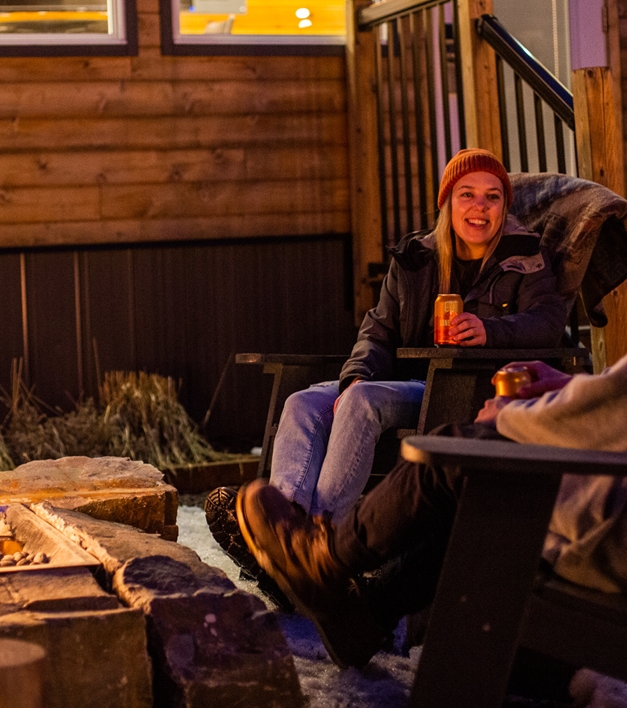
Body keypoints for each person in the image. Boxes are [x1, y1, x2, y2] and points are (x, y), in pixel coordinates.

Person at [235, 91, 627, 670]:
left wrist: (509, 418)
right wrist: (556, 391)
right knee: (478, 459)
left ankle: (326, 556)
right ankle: (362, 607)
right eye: (466, 196)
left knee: (463, 456)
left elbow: (611, 416)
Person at [206, 148, 570, 577]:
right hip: (399, 382)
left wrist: (492, 332)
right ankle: (282, 531)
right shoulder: (416, 259)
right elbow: (377, 332)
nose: (479, 207)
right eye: (466, 194)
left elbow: (547, 322)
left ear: (503, 207)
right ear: (447, 203)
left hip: (460, 387)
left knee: (362, 402)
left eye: (492, 197)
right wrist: (356, 375)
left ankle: (325, 549)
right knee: (303, 402)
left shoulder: (526, 257)